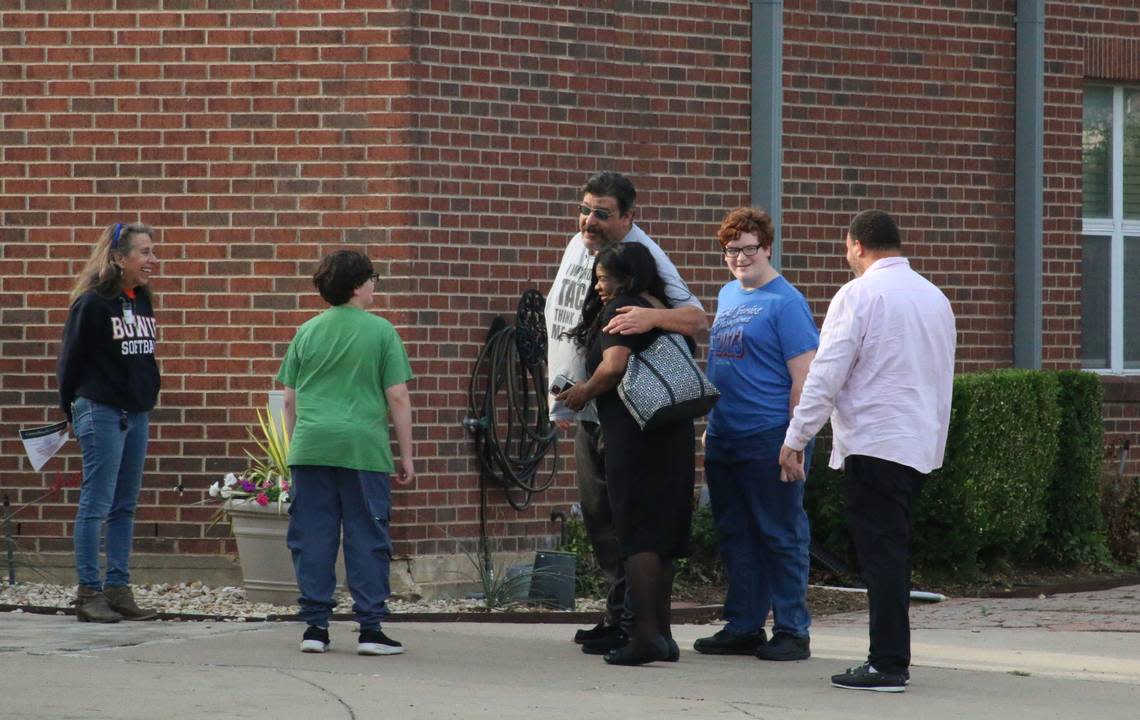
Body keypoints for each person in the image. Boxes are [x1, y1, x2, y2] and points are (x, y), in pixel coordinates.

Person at [779, 210, 956, 692]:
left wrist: (796, 437)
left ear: (856, 245)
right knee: (891, 552)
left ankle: (887, 664)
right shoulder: (935, 298)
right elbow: (943, 379)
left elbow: (827, 373)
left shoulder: (858, 294)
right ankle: (891, 658)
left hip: (875, 441)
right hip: (916, 443)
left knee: (881, 556)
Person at [545, 171, 706, 653]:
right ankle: (625, 619)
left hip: (627, 419)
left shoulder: (643, 260)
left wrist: (648, 316)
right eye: (585, 209)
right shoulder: (581, 245)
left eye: (602, 213)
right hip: (593, 413)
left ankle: (639, 627)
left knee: (632, 525)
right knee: (602, 521)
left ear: (628, 217)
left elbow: (696, 318)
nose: (589, 221)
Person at [277, 250, 416, 656]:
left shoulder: (306, 331)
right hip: (363, 447)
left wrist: (292, 450)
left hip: (311, 446)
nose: (375, 285)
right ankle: (370, 629)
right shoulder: (382, 332)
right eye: (373, 278)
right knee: (366, 535)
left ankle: (315, 628)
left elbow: (289, 400)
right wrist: (406, 455)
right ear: (358, 285)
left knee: (312, 537)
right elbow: (398, 396)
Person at [696, 208, 819, 661]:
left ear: (767, 248)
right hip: (726, 435)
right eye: (732, 250)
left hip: (769, 435)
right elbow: (722, 369)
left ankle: (792, 630)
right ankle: (745, 625)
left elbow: (803, 376)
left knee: (781, 533)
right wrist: (712, 427)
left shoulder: (786, 302)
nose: (741, 257)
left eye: (750, 248)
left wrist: (795, 441)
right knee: (735, 533)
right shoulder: (727, 295)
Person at [57, 222, 161, 623]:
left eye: (152, 251)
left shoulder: (141, 299)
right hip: (101, 410)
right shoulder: (92, 304)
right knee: (96, 504)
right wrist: (72, 413)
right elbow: (70, 361)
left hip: (135, 412)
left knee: (125, 506)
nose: (153, 260)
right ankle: (88, 592)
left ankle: (118, 589)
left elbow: (143, 356)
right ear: (119, 258)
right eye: (145, 252)